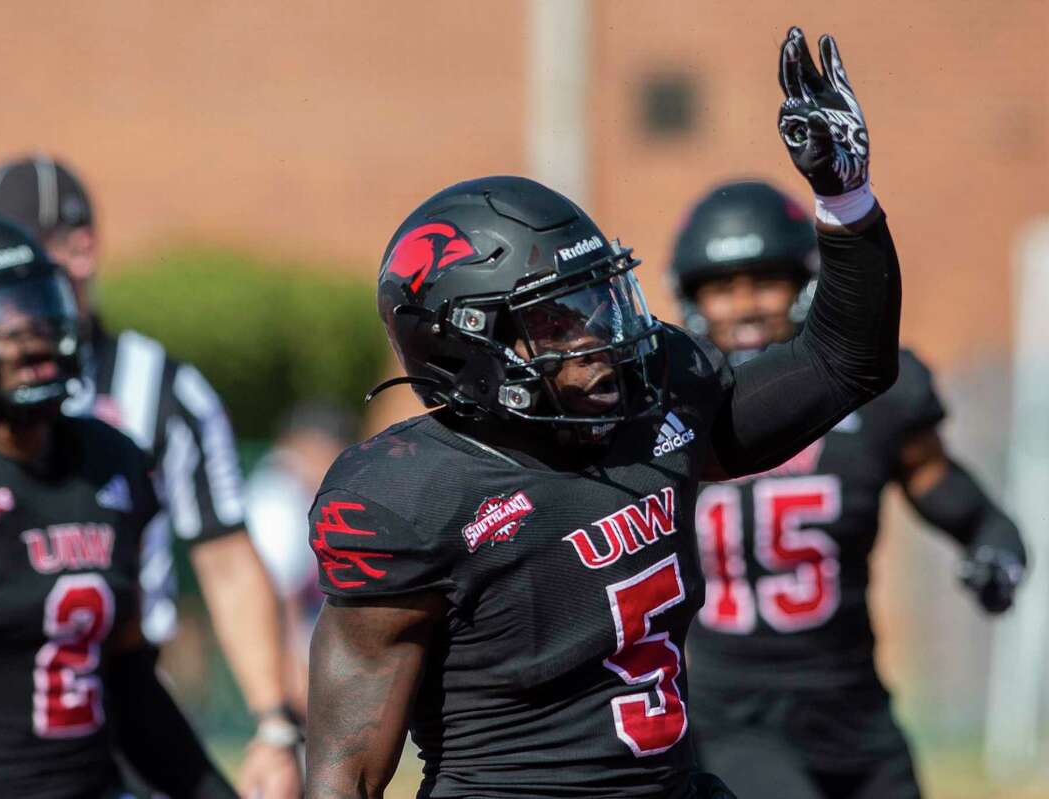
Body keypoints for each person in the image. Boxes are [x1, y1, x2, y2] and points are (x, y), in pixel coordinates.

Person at [305, 28, 899, 798]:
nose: (601, 337)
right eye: (559, 320)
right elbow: (344, 769)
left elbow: (846, 362)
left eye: (599, 300)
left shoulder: (657, 406)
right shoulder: (410, 497)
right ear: (467, 346)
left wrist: (846, 199)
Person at [0, 155, 303, 796]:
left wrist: (275, 722)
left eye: (28, 267)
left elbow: (225, 559)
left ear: (79, 253)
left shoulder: (149, 404)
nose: (13, 311)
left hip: (110, 694)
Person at [671, 176, 1025, 799]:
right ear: (695, 298)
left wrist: (995, 542)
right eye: (724, 287)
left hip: (855, 708)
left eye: (764, 281)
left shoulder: (875, 392)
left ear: (805, 286)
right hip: (735, 717)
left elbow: (941, 484)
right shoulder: (671, 406)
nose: (746, 305)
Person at [245, 403, 355, 717]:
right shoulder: (278, 496)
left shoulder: (296, 490)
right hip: (287, 632)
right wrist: (291, 663)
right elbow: (279, 593)